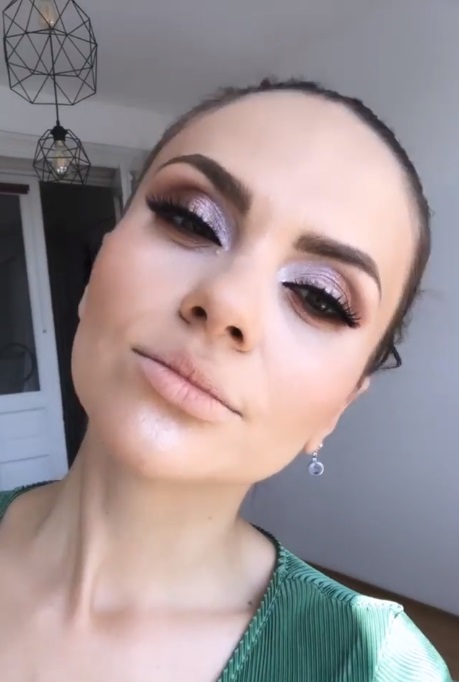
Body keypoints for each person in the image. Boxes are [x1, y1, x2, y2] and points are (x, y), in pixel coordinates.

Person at [0, 78, 452, 682]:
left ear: (339, 406)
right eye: (192, 219)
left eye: (320, 297)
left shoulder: (373, 665)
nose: (227, 303)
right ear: (98, 266)